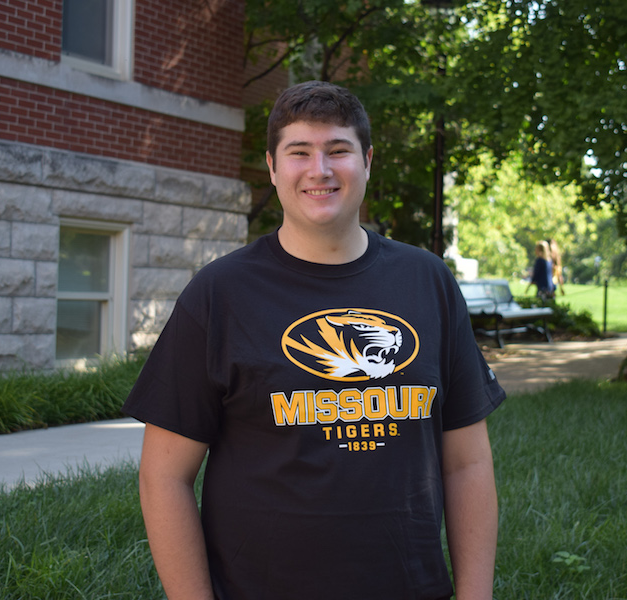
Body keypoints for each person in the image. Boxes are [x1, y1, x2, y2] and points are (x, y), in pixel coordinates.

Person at [122, 80, 505, 600]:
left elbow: (469, 462)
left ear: (367, 160)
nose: (319, 170)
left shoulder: (427, 282)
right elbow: (163, 477)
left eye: (338, 150)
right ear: (273, 166)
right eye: (298, 152)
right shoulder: (220, 294)